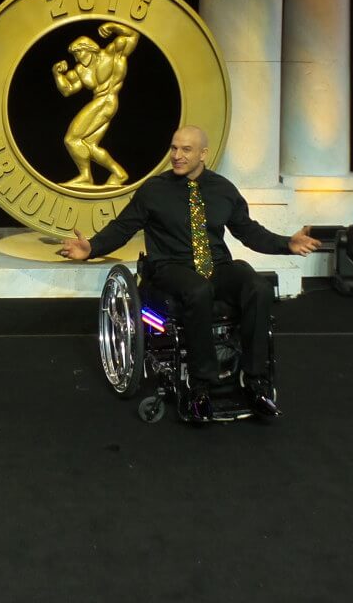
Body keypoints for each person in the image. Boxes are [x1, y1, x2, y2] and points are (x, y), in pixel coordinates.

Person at [58, 125, 319, 420]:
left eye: (186, 150)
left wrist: (287, 244)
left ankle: (256, 381)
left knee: (257, 286)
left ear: (203, 154)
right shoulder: (154, 190)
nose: (177, 155)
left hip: (215, 266)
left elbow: (249, 232)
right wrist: (91, 247)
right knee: (198, 289)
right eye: (174, 148)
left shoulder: (222, 189)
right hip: (170, 267)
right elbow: (123, 227)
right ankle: (200, 385)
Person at [52, 22, 138, 187]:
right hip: (101, 102)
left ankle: (85, 176)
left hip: (107, 100)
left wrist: (113, 26)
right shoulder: (80, 70)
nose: (77, 58)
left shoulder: (112, 53)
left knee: (71, 139)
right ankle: (119, 174)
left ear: (88, 48)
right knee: (88, 145)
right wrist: (57, 74)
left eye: (78, 52)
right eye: (74, 55)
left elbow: (132, 35)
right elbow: (67, 90)